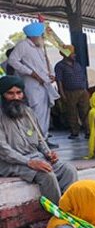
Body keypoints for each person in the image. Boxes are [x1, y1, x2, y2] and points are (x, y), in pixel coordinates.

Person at [0, 75, 77, 203]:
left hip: (35, 157)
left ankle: (71, 207)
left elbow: (40, 139)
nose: (16, 97)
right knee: (46, 174)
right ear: (2, 95)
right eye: (10, 93)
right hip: (11, 164)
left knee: (68, 170)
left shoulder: (28, 112)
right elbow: (4, 151)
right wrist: (29, 162)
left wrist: (48, 153)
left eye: (19, 93)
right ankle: (58, 214)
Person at [8, 22, 59, 145]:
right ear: (34, 36)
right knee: (37, 112)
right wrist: (31, 73)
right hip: (32, 84)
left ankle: (44, 139)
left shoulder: (38, 47)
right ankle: (36, 141)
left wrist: (52, 74)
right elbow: (12, 61)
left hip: (45, 84)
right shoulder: (23, 45)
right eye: (41, 35)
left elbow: (46, 64)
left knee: (45, 112)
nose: (43, 37)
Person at [54, 45, 89, 139]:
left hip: (82, 91)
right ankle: (75, 132)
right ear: (65, 54)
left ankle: (88, 131)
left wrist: (85, 89)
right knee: (71, 113)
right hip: (69, 92)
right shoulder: (59, 66)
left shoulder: (77, 64)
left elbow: (83, 77)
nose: (74, 55)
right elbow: (59, 81)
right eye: (72, 53)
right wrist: (62, 94)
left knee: (85, 112)